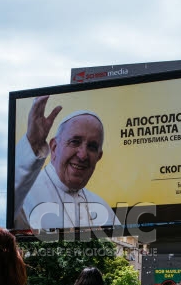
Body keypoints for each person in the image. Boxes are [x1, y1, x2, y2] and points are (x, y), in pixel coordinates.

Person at [13, 95, 121, 229]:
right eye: (75, 142)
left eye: (92, 147)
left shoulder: (103, 208)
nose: (83, 155)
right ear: (54, 147)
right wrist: (32, 143)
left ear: (99, 157)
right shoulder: (24, 194)